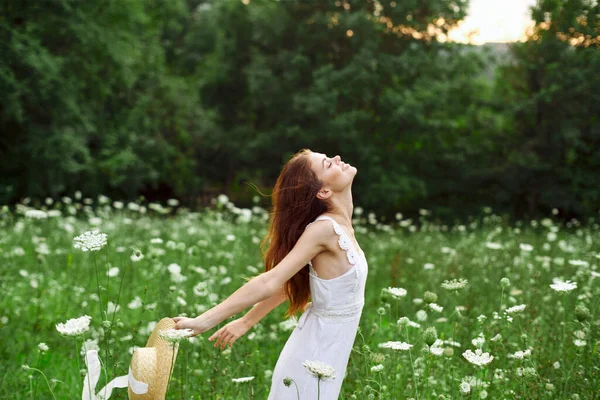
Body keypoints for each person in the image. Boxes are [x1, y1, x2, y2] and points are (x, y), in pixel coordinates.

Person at [172, 148, 368, 399]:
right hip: (314, 354)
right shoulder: (325, 230)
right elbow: (271, 280)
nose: (338, 159)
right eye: (328, 164)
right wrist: (204, 321)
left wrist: (246, 321)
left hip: (330, 352)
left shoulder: (340, 226)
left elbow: (291, 285)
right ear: (324, 191)